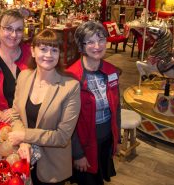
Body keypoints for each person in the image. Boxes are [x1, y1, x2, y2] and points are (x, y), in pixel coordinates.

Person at [7, 29, 81, 184]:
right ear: (33, 51)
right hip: (22, 160)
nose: (48, 55)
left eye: (54, 50)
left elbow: (62, 137)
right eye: (43, 49)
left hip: (51, 169)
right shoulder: (24, 76)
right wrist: (24, 141)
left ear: (59, 54)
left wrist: (25, 135)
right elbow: (15, 114)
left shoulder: (70, 87)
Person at [66, 21, 121, 185]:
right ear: (81, 46)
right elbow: (68, 123)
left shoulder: (111, 71)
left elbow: (117, 108)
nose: (97, 46)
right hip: (84, 146)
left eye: (101, 39)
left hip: (105, 141)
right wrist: (77, 154)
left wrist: (117, 139)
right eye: (90, 41)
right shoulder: (71, 77)